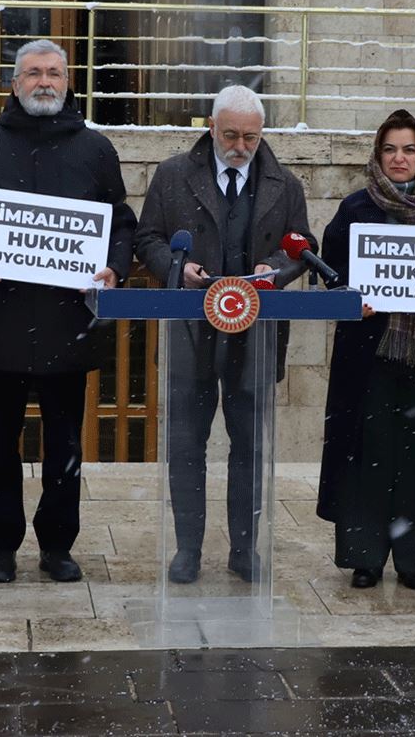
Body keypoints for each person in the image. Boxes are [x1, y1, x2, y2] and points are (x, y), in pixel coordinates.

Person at [0, 39, 135, 584]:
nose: (44, 81)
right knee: (0, 444)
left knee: (65, 444)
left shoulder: (95, 148)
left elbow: (119, 221)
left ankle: (57, 545)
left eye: (54, 73)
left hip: (67, 321)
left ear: (68, 82)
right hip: (2, 317)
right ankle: (1, 546)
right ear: (14, 84)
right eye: (33, 73)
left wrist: (114, 269)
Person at [133, 84, 311, 584]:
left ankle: (244, 549)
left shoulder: (285, 184)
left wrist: (273, 269)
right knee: (187, 444)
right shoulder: (172, 176)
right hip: (190, 333)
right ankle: (187, 548)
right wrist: (177, 265)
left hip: (254, 335)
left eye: (250, 138)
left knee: (250, 447)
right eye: (230, 134)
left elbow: (301, 244)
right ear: (211, 128)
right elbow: (147, 237)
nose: (240, 145)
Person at [317, 109, 415, 590]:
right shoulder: (356, 208)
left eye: (409, 149)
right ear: (377, 155)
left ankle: (413, 559)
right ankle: (364, 556)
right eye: (390, 149)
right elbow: (332, 274)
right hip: (368, 354)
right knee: (368, 456)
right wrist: (350, 301)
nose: (400, 158)